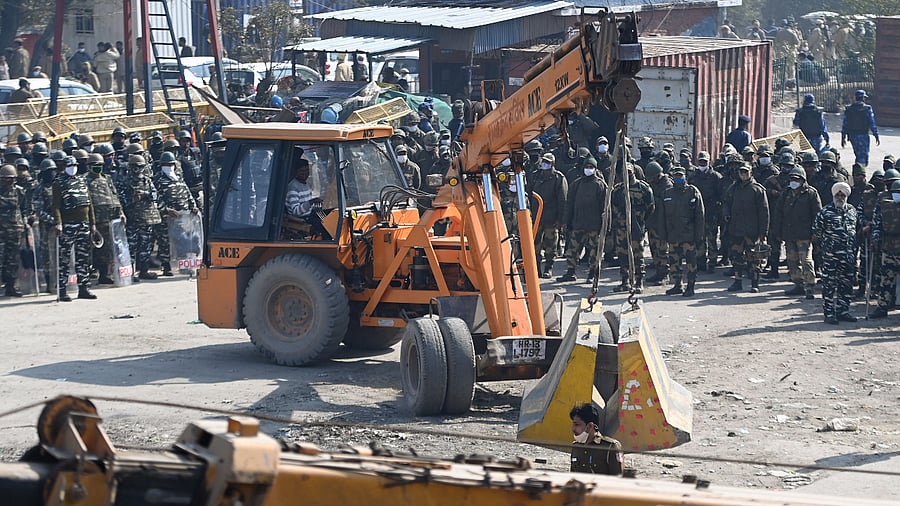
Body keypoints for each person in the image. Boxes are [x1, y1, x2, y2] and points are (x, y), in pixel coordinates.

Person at [52, 156, 97, 301]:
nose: (73, 167)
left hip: (83, 224)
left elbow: (89, 204)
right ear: (64, 166)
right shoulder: (59, 183)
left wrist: (93, 223)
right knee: (64, 259)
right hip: (68, 225)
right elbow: (56, 206)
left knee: (83, 258)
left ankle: (84, 288)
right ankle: (62, 290)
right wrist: (58, 223)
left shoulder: (82, 181)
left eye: (74, 165)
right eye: (70, 165)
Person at [812, 182, 858, 323]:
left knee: (846, 285)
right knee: (829, 286)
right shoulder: (825, 212)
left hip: (848, 256)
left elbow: (855, 231)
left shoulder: (852, 211)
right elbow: (816, 233)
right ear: (833, 195)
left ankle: (843, 311)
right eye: (837, 194)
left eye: (842, 194)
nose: (840, 197)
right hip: (831, 256)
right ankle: (829, 313)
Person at [774, 167, 821, 300]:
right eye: (792, 179)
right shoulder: (786, 193)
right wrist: (777, 231)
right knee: (792, 260)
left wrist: (816, 232)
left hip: (804, 234)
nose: (794, 181)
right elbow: (778, 213)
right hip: (789, 233)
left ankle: (810, 286)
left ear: (803, 179)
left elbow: (817, 214)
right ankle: (798, 285)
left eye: (797, 179)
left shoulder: (811, 193)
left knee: (806, 261)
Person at [558, 157, 606, 283]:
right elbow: (569, 204)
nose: (588, 169)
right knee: (572, 250)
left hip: (594, 225)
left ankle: (592, 274)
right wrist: (566, 221)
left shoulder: (600, 185)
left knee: (594, 252)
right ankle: (570, 272)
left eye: (591, 167)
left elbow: (605, 208)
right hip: (578, 224)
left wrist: (605, 226)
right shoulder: (576, 184)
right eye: (586, 167)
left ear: (595, 169)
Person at [723, 163, 769, 293]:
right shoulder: (733, 188)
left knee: (754, 258)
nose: (743, 174)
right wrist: (726, 214)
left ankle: (755, 283)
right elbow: (726, 203)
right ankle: (737, 281)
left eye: (745, 172)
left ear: (751, 173)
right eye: (741, 172)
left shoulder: (758, 190)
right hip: (736, 229)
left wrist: (763, 232)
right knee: (737, 257)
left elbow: (764, 212)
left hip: (752, 231)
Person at [659, 166, 704, 297]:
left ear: (685, 176)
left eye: (680, 175)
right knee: (674, 262)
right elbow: (661, 217)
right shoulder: (667, 194)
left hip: (688, 236)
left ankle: (690, 286)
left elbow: (700, 216)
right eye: (676, 176)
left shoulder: (693, 192)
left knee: (691, 263)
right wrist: (663, 236)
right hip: (673, 236)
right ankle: (677, 285)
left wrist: (699, 236)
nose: (678, 178)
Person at [611, 161, 654, 293]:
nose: (627, 175)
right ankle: (625, 282)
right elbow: (613, 206)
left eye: (629, 172)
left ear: (633, 172)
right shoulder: (618, 189)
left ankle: (639, 281)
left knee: (637, 255)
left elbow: (650, 207)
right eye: (625, 173)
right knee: (622, 254)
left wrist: (640, 219)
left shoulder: (643, 188)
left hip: (636, 227)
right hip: (621, 228)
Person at [154, 151, 198, 276]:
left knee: (183, 241)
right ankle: (167, 266)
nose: (169, 166)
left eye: (171, 164)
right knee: (165, 242)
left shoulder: (178, 178)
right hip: (166, 218)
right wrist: (166, 210)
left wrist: (193, 206)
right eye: (166, 164)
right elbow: (155, 198)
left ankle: (184, 265)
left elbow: (187, 193)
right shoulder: (158, 180)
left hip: (182, 218)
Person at [85, 153, 124, 284]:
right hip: (95, 219)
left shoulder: (107, 178)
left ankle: (104, 274)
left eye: (100, 165)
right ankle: (90, 273)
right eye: (95, 165)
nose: (98, 168)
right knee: (93, 249)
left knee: (107, 249)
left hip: (110, 218)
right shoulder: (85, 180)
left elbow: (115, 196)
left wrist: (121, 213)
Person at [123, 154, 161, 281]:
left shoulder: (147, 181)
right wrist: (132, 199)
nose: (137, 169)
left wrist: (145, 194)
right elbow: (120, 199)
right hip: (132, 220)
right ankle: (131, 273)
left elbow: (155, 195)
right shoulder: (124, 181)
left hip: (146, 219)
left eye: (140, 166)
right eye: (134, 166)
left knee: (145, 247)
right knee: (131, 248)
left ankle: (144, 271)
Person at [531, 153, 568, 279]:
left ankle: (548, 267)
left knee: (551, 245)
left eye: (547, 162)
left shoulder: (558, 178)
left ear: (552, 164)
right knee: (534, 245)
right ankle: (535, 268)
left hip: (551, 218)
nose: (544, 164)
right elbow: (529, 193)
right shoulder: (536, 176)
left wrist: (560, 219)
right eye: (543, 161)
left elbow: (562, 200)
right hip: (536, 217)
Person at [869, 180, 900, 319]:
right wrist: (875, 240)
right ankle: (882, 306)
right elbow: (877, 224)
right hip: (888, 247)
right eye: (895, 193)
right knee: (886, 279)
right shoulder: (883, 204)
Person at [689, 151, 723, 272]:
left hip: (711, 212)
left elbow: (721, 196)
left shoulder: (716, 177)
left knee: (712, 238)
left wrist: (718, 212)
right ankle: (700, 261)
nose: (702, 164)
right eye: (700, 161)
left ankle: (712, 262)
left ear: (709, 162)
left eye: (705, 162)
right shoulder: (692, 176)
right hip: (697, 213)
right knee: (699, 238)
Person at [569, 404, 623, 476]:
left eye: (577, 424)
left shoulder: (610, 447)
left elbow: (619, 480)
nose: (573, 429)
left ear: (590, 426)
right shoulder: (576, 447)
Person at [0, 164, 29, 297]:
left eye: (11, 178)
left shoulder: (19, 191)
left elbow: (24, 208)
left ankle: (10, 286)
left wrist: (25, 221)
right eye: (6, 179)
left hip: (15, 230)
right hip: (1, 231)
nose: (9, 181)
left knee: (13, 260)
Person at [841, 90, 879, 167]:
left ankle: (858, 171)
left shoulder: (849, 109)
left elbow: (845, 124)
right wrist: (876, 134)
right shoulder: (867, 109)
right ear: (863, 98)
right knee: (863, 156)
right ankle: (859, 173)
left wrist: (843, 137)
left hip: (852, 136)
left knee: (858, 155)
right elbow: (872, 123)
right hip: (863, 135)